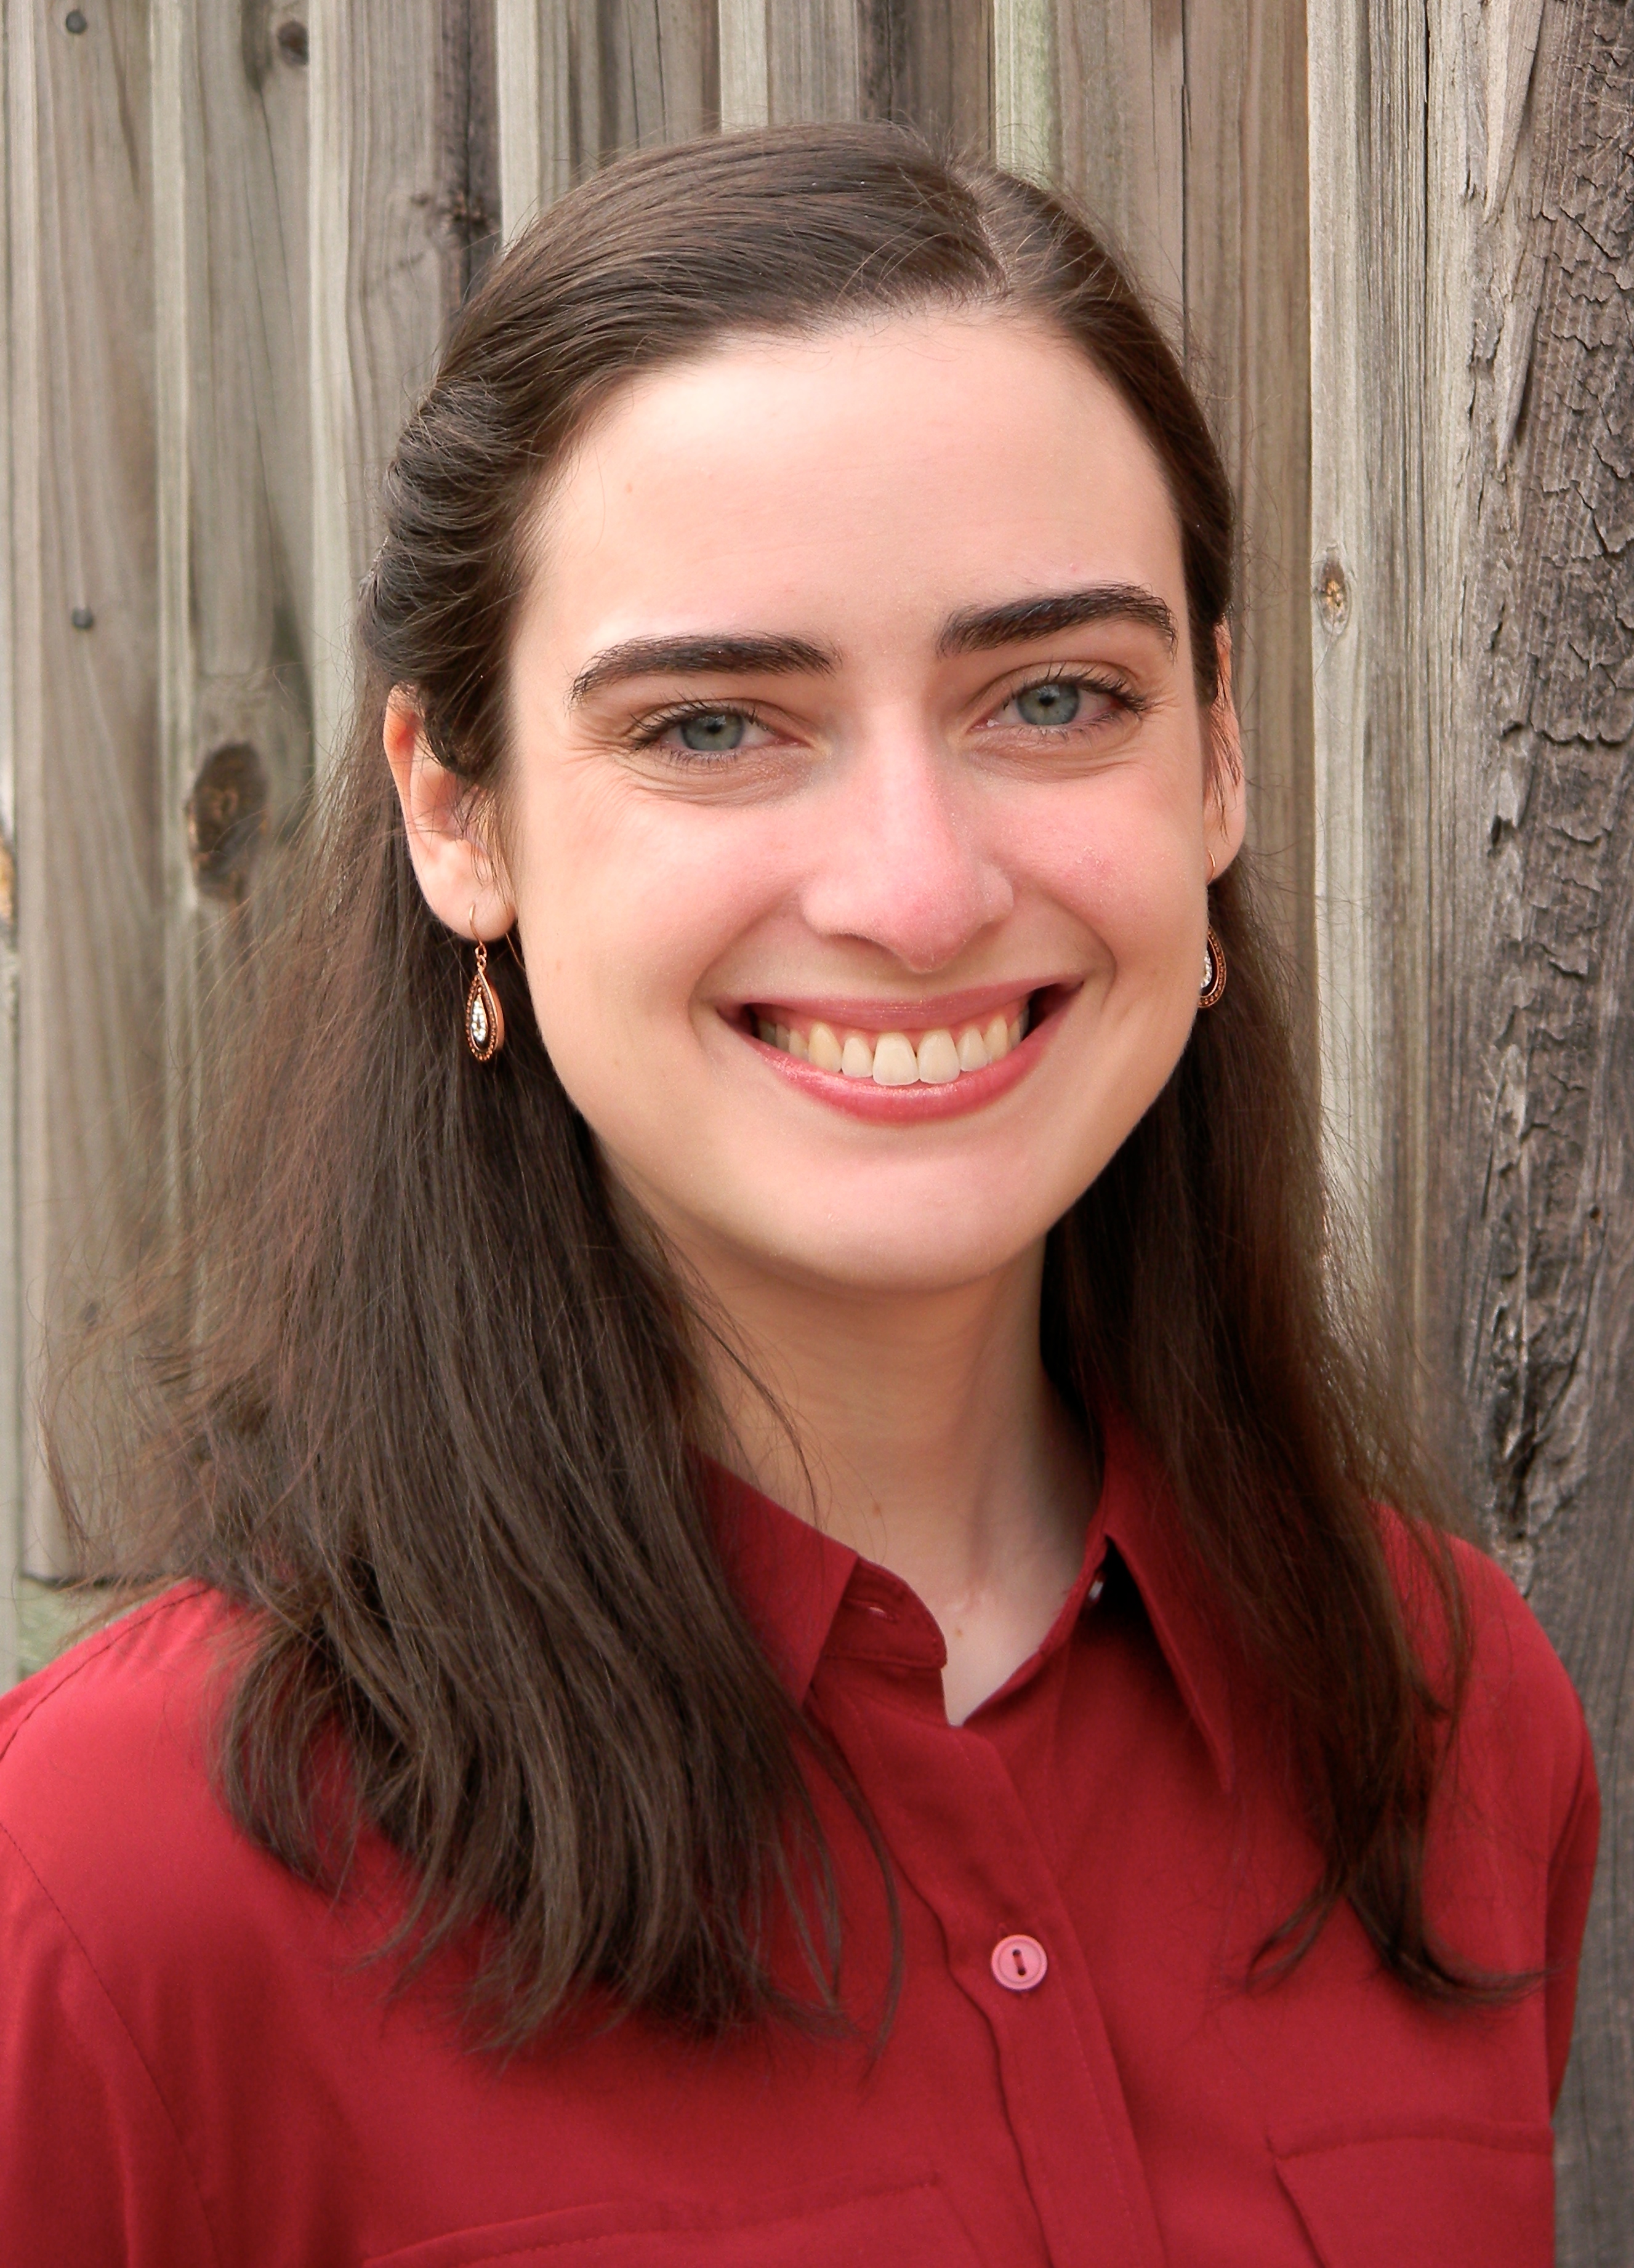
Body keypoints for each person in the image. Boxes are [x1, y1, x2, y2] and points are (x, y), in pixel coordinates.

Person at [0, 126, 1596, 2268]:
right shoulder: (114, 1892)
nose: (920, 892)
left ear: (1215, 751)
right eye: (718, 725)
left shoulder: (1448, 1711)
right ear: (457, 812)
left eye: (1054, 696)